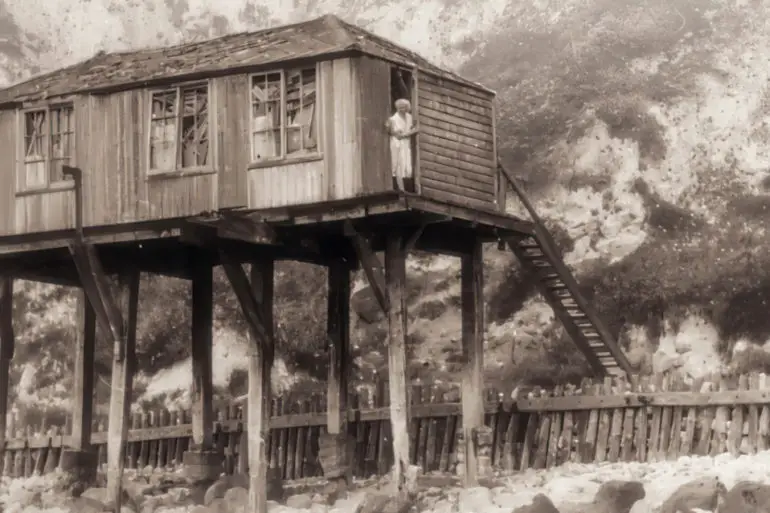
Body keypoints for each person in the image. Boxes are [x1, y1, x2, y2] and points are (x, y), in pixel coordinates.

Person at [385, 98, 418, 191]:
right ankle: (399, 188)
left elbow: (412, 127)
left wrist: (412, 130)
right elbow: (398, 136)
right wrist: (412, 132)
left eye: (403, 107)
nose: (401, 109)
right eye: (399, 107)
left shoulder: (409, 117)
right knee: (398, 166)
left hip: (406, 144)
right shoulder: (393, 119)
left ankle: (407, 188)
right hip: (397, 144)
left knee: (408, 167)